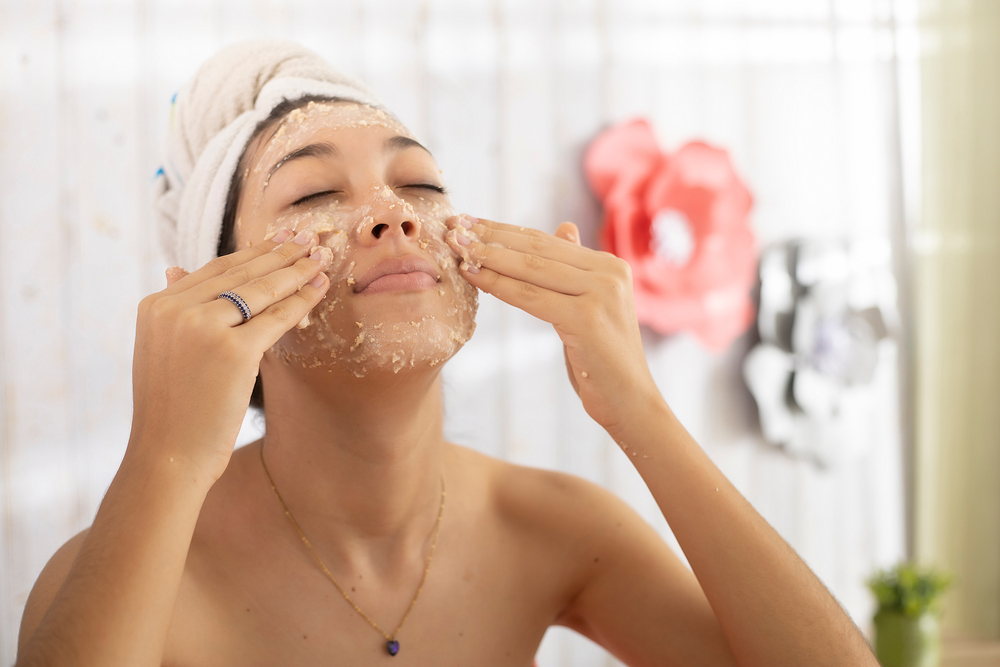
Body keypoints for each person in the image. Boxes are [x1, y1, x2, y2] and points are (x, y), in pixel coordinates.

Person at [15, 41, 877, 666]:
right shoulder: (136, 574)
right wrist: (166, 456)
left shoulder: (557, 530)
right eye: (315, 193)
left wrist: (640, 411)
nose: (395, 214)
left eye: (421, 184)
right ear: (220, 291)